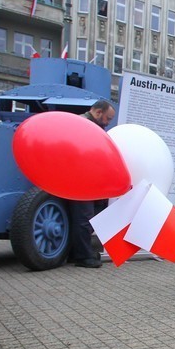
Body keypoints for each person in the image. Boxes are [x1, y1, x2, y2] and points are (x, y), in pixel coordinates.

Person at [68, 99, 116, 268]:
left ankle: (80, 252)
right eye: (108, 119)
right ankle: (82, 256)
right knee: (84, 218)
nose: (108, 123)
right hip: (82, 179)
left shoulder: (83, 123)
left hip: (84, 178)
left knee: (86, 216)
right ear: (98, 113)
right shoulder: (86, 126)